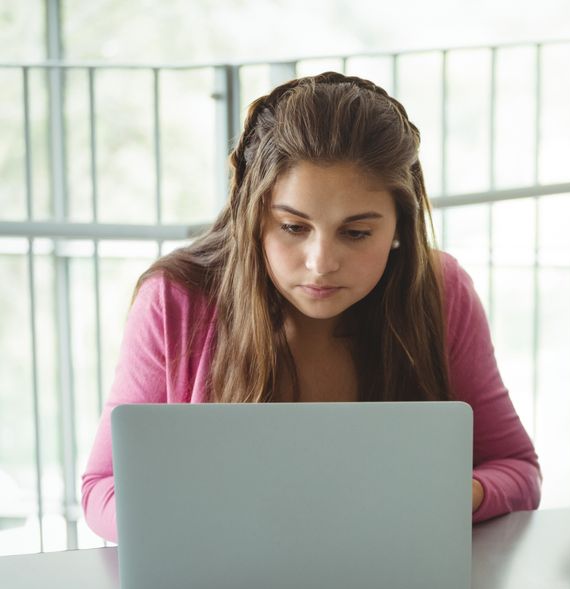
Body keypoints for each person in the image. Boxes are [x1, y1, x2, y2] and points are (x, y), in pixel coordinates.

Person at [81, 72, 541, 543]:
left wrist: (449, 496)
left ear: (399, 228)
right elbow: (101, 489)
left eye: (357, 233)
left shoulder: (440, 292)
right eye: (293, 228)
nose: (321, 263)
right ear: (252, 215)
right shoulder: (175, 301)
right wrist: (193, 524)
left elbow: (518, 471)